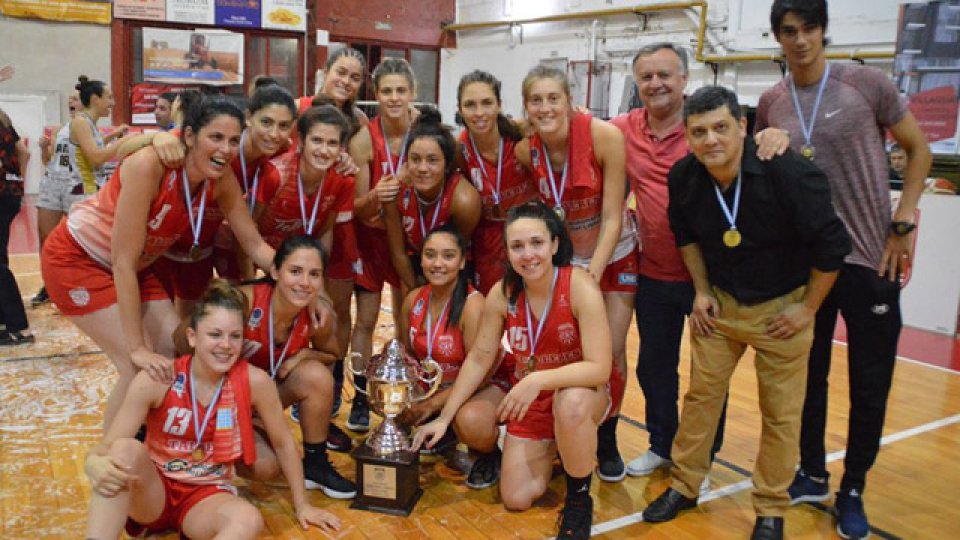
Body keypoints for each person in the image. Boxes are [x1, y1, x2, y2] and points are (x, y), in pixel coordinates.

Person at [641, 85, 851, 540]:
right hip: (721, 308)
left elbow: (834, 248)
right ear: (687, 136)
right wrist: (699, 291)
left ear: (742, 126)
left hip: (782, 311)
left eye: (720, 127)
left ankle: (771, 509)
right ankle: (684, 484)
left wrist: (806, 309)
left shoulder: (790, 173)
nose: (710, 140)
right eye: (699, 132)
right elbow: (685, 237)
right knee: (700, 402)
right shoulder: (683, 177)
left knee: (780, 415)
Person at [756, 2, 932, 538]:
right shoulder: (771, 102)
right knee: (806, 381)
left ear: (823, 31)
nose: (801, 40)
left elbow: (918, 149)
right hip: (806, 269)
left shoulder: (866, 84)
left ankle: (852, 487)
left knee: (869, 383)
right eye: (790, 32)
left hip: (868, 258)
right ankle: (810, 473)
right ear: (778, 39)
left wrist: (902, 222)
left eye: (809, 28)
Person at [41, 95, 277, 429]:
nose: (225, 149)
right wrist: (137, 346)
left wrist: (293, 272)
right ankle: (112, 461)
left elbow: (253, 243)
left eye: (233, 141)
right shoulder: (150, 165)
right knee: (139, 365)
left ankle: (153, 446)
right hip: (78, 260)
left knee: (173, 352)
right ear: (191, 136)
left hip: (134, 266)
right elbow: (122, 261)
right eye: (216, 138)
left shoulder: (221, 179)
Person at [611, 43, 789, 485]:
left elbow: (758, 141)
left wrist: (776, 132)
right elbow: (578, 130)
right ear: (637, 83)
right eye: (647, 77)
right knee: (653, 368)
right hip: (652, 274)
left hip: (708, 280)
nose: (656, 84)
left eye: (665, 75)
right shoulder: (622, 129)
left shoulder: (705, 128)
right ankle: (661, 445)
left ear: (684, 79)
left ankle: (701, 457)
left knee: (708, 378)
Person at [413, 200, 615, 539]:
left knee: (571, 405)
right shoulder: (502, 293)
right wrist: (444, 418)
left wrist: (537, 379)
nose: (528, 254)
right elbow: (479, 357)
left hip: (582, 392)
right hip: (531, 400)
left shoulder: (579, 286)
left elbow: (599, 369)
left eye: (537, 243)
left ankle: (580, 499)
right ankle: (562, 452)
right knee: (516, 498)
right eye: (517, 246)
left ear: (554, 244)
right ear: (506, 252)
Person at [83, 281, 340, 539]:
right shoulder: (159, 378)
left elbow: (284, 443)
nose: (225, 345)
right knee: (124, 451)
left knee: (249, 519)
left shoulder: (255, 381)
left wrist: (303, 505)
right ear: (193, 337)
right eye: (215, 335)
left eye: (235, 336)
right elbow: (108, 445)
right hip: (156, 491)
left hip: (206, 496)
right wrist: (94, 462)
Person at [515, 65, 633, 482]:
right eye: (535, 100)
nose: (545, 107)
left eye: (553, 98)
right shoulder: (525, 151)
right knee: (574, 355)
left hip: (613, 256)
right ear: (526, 108)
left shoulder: (605, 137)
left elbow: (614, 216)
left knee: (611, 351)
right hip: (567, 262)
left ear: (569, 100)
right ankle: (568, 432)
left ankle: (609, 438)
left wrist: (593, 273)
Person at [177, 235, 356, 498]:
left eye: (314, 274)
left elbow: (332, 353)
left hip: (258, 401)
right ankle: (202, 456)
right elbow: (179, 341)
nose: (304, 283)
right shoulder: (245, 302)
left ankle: (315, 465)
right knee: (264, 466)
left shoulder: (318, 318)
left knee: (316, 377)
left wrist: (301, 355)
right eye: (295, 271)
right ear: (274, 271)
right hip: (216, 402)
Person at [156, 85, 298, 318]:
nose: (274, 134)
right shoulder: (219, 146)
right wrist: (157, 136)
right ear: (249, 117)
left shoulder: (278, 154)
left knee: (195, 322)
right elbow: (173, 140)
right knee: (157, 327)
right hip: (162, 245)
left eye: (283, 126)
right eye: (266, 122)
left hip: (205, 246)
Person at [347, 57, 420, 433]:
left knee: (408, 318)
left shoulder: (424, 131)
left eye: (400, 91)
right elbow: (357, 207)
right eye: (386, 91)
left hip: (409, 237)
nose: (394, 98)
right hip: (371, 240)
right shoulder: (363, 139)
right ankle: (360, 396)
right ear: (376, 95)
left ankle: (407, 389)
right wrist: (378, 194)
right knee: (366, 320)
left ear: (412, 93)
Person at [34, 78, 140, 306]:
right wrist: (127, 142)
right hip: (59, 182)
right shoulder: (77, 123)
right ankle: (52, 286)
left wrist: (114, 138)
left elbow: (94, 150)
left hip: (79, 185)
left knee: (80, 243)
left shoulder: (86, 125)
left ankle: (88, 284)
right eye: (109, 97)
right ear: (95, 99)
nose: (112, 102)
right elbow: (97, 157)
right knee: (48, 240)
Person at [396, 225, 483, 457]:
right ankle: (442, 431)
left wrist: (431, 405)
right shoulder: (413, 299)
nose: (437, 264)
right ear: (421, 260)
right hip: (433, 388)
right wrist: (409, 397)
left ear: (462, 262)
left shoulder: (473, 306)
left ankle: (489, 453)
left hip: (473, 387)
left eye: (448, 256)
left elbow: (480, 374)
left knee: (471, 422)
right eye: (430, 255)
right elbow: (405, 357)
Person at [454, 70, 537, 294]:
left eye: (487, 103)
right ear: (459, 109)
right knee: (493, 313)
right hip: (487, 244)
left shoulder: (521, 137)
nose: (479, 113)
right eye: (470, 105)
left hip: (527, 237)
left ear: (499, 105)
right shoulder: (459, 149)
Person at [384, 108, 481, 294]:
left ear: (447, 165)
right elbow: (398, 253)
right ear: (406, 162)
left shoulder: (464, 200)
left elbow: (456, 253)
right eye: (415, 159)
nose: (422, 168)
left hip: (453, 262)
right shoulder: (395, 191)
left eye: (432, 160)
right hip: (413, 260)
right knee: (409, 308)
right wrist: (418, 294)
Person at [0, 108, 33, 345]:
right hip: (9, 193)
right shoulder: (3, 116)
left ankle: (17, 327)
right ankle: (5, 320)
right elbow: (24, 152)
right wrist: (17, 180)